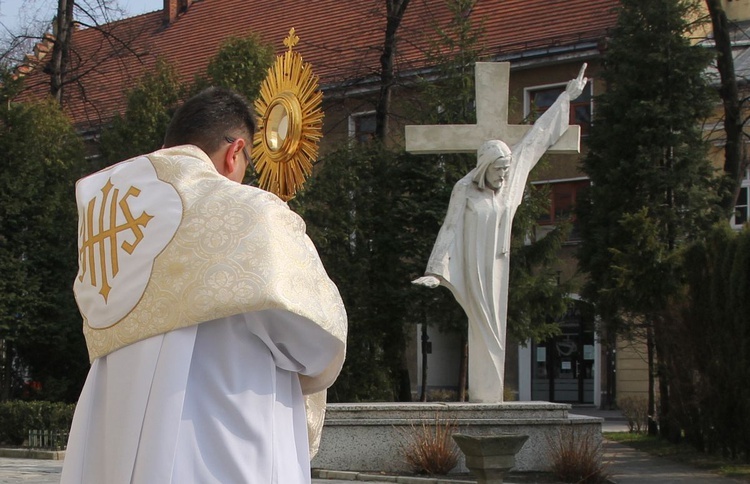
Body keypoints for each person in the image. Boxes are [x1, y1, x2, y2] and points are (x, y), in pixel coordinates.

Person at [62, 87, 347, 483]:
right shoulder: (251, 212)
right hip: (220, 435)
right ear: (235, 153)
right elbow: (314, 342)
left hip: (114, 439)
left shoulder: (107, 215)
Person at [413, 65, 587, 403]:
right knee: (480, 326)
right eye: (499, 170)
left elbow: (537, 138)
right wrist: (435, 272)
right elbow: (449, 228)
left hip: (498, 268)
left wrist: (566, 96)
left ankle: (492, 398)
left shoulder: (509, 185)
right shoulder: (465, 189)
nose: (505, 176)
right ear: (484, 167)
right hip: (471, 267)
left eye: (508, 170)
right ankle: (484, 396)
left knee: (494, 329)